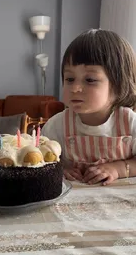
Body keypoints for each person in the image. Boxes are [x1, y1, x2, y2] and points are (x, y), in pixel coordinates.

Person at [42, 28, 136, 185]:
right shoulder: (57, 125)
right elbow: (42, 163)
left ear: (119, 85)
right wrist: (60, 170)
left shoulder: (130, 122)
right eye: (70, 79)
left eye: (90, 80)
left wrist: (117, 169)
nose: (75, 88)